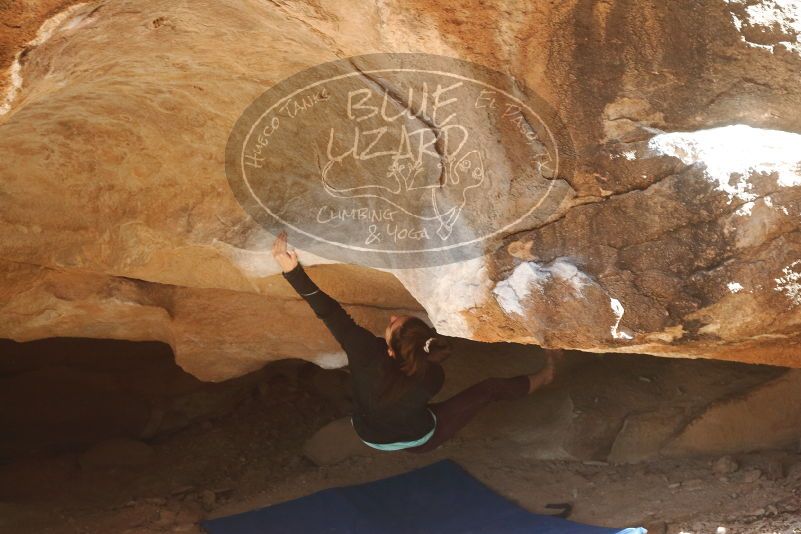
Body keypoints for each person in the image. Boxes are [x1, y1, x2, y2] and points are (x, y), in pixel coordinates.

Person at [272, 230, 560, 453]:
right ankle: (545, 376)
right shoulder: (432, 376)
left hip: (372, 433)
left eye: (393, 323)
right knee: (489, 389)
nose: (393, 316)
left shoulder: (365, 353)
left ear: (388, 349)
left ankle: (546, 376)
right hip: (419, 438)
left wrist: (292, 272)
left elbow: (329, 313)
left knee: (378, 398)